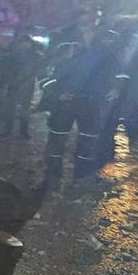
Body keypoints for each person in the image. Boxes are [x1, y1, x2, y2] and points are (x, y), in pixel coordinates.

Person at [43, 12, 120, 182]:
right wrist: (56, 93)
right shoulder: (64, 46)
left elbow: (118, 72)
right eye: (85, 22)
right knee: (57, 139)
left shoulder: (107, 49)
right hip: (66, 102)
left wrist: (115, 88)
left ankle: (81, 177)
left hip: (92, 102)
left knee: (88, 141)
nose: (89, 26)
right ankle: (52, 177)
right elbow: (46, 72)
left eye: (92, 22)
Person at [0, 34, 42, 138]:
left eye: (26, 43)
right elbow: (5, 70)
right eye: (23, 43)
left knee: (24, 110)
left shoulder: (35, 55)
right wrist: (4, 84)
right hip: (14, 85)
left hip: (26, 86)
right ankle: (8, 130)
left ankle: (23, 131)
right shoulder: (13, 55)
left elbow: (37, 70)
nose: (24, 45)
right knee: (11, 109)